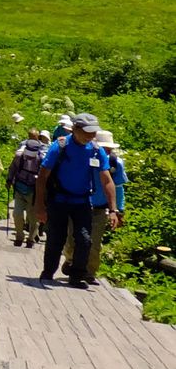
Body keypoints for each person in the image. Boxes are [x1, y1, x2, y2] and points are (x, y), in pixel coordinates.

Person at [34, 114, 121, 288]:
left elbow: (107, 181)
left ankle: (77, 276)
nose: (91, 136)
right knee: (56, 238)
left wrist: (113, 210)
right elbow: (43, 176)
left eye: (93, 132)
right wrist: (40, 206)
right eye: (87, 132)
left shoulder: (96, 150)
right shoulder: (59, 147)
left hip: (82, 201)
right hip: (58, 199)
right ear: (75, 129)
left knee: (85, 239)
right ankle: (48, 272)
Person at [64, 128, 128, 285]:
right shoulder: (84, 157)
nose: (106, 150)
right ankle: (70, 259)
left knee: (94, 243)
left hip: (100, 208)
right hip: (79, 204)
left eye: (108, 148)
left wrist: (119, 209)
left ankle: (89, 272)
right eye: (103, 146)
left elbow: (118, 188)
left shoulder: (115, 164)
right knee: (72, 239)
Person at [6, 130, 48, 247]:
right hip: (19, 188)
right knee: (17, 214)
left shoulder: (41, 160)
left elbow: (45, 176)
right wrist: (9, 180)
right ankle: (19, 236)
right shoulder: (19, 157)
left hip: (33, 192)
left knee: (33, 216)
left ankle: (31, 238)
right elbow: (12, 169)